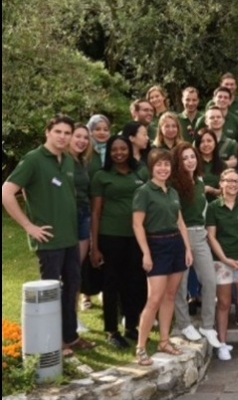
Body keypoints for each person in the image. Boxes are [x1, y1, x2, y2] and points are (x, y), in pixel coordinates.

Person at [2, 114, 95, 356]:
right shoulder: (34, 159)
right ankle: (53, 342)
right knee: (51, 292)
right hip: (48, 240)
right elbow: (7, 192)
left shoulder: (67, 160)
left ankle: (70, 337)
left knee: (72, 285)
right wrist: (29, 225)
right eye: (58, 132)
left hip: (70, 237)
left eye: (67, 133)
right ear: (47, 132)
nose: (63, 137)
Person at [132, 149, 193, 366]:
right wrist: (146, 252)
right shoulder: (144, 192)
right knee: (154, 298)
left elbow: (180, 222)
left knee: (170, 295)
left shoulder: (172, 192)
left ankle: (164, 341)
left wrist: (187, 249)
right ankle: (140, 347)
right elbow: (137, 224)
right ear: (151, 167)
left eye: (167, 164)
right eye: (159, 164)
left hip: (175, 244)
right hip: (156, 245)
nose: (163, 168)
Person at [90, 135, 148, 349]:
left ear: (129, 150)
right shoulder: (101, 176)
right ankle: (111, 330)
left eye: (123, 148)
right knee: (111, 283)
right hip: (111, 235)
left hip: (137, 236)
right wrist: (94, 247)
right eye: (114, 149)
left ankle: (131, 325)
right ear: (109, 152)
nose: (119, 153)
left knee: (135, 282)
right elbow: (95, 212)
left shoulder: (140, 172)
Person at [170, 142, 221, 349]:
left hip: (200, 235)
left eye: (192, 156)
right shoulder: (174, 185)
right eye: (185, 158)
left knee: (209, 280)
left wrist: (216, 190)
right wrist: (184, 243)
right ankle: (184, 324)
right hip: (181, 235)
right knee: (181, 285)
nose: (190, 161)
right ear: (178, 162)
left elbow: (203, 196)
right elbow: (176, 215)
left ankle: (208, 326)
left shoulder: (199, 181)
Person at [206, 168, 238, 360]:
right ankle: (222, 344)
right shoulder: (213, 207)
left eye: (236, 181)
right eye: (228, 180)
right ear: (221, 183)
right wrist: (224, 258)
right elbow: (211, 236)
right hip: (221, 261)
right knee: (224, 303)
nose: (232, 184)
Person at [68, 124, 94, 320]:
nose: (82, 141)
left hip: (84, 215)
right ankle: (66, 316)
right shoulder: (61, 160)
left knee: (76, 268)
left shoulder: (82, 161)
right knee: (66, 269)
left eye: (85, 137)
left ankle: (73, 316)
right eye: (78, 136)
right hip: (66, 217)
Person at [195, 128, 224, 201]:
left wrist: (211, 190)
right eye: (202, 141)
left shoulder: (222, 165)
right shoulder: (193, 163)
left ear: (215, 143)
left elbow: (225, 191)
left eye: (209, 141)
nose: (206, 144)